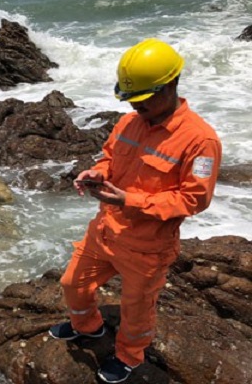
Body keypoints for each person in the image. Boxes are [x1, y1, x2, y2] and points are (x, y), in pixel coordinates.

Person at [48, 38, 222, 383]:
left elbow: (194, 200)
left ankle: (128, 355)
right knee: (72, 283)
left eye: (143, 98)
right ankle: (89, 326)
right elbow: (110, 156)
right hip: (105, 230)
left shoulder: (200, 141)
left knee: (136, 308)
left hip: (147, 246)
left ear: (170, 85)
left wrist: (129, 200)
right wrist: (98, 172)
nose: (136, 106)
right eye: (131, 99)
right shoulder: (129, 123)